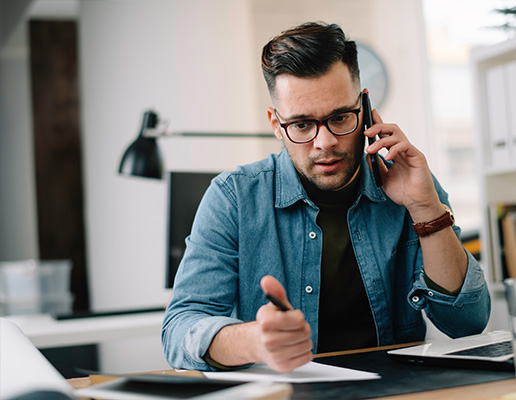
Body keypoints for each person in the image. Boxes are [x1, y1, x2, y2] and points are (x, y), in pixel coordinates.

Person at [162, 22, 490, 373]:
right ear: (276, 124)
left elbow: (468, 322)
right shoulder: (234, 198)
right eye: (302, 125)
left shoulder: (412, 183)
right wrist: (255, 341)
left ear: (364, 108)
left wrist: (426, 209)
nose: (325, 143)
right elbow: (180, 329)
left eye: (339, 117)